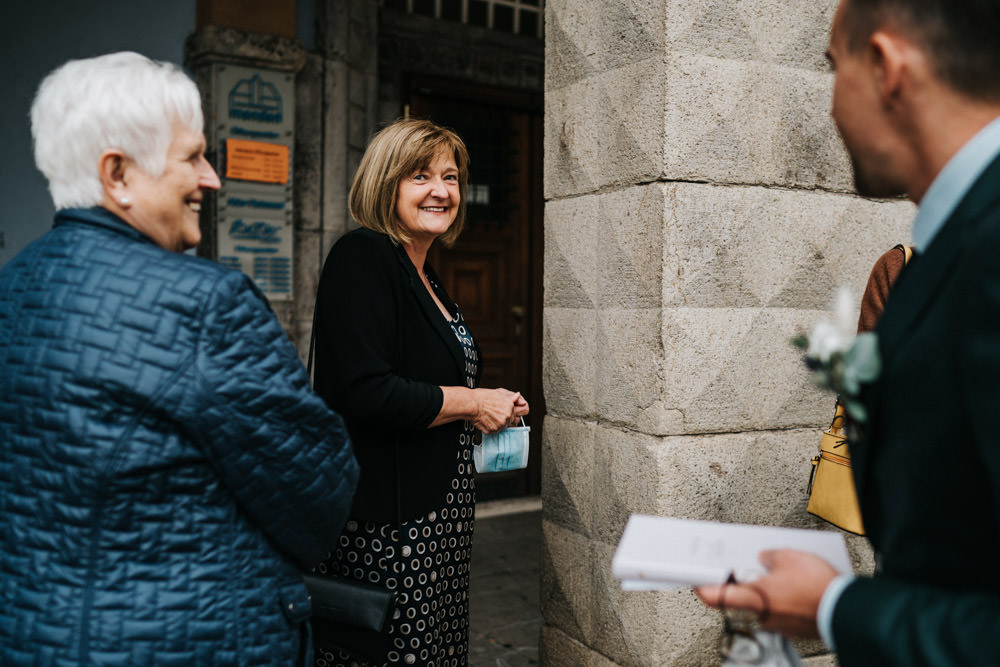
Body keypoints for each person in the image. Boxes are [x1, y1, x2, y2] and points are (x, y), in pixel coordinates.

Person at [0, 52, 358, 666]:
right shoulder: (207, 305)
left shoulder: (12, 289)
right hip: (185, 641)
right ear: (118, 174)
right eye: (192, 156)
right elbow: (320, 495)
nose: (211, 178)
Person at [698, 1, 1000, 664]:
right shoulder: (942, 245)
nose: (831, 107)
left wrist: (836, 606)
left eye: (835, 70)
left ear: (888, 68)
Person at [311, 118, 530, 666]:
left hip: (439, 514)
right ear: (386, 184)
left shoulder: (425, 273)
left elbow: (427, 380)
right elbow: (369, 392)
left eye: (450, 176)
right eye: (420, 175)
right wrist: (474, 401)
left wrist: (489, 403)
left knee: (435, 652)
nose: (441, 190)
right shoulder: (362, 257)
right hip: (389, 525)